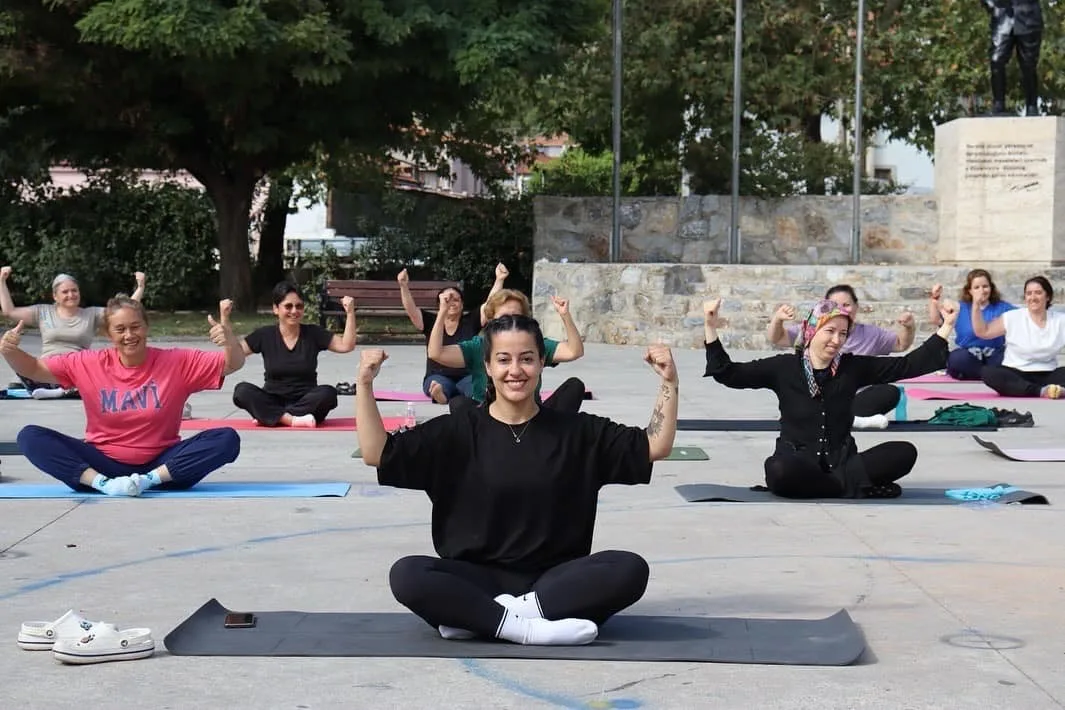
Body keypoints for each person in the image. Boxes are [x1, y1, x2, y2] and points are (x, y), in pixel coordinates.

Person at [355, 314, 679, 645]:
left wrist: (669, 381)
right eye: (503, 360)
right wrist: (364, 385)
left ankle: (485, 618)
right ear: (487, 366)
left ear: (541, 363)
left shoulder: (578, 432)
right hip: (474, 578)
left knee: (629, 569)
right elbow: (376, 453)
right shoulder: (454, 434)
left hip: (556, 582)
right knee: (408, 575)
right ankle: (527, 628)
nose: (515, 370)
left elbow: (654, 445)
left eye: (526, 359)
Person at [708, 296, 958, 499]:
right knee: (778, 470)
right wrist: (710, 327)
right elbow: (730, 374)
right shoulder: (784, 368)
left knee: (904, 452)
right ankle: (850, 487)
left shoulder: (853, 367)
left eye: (843, 334)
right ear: (811, 331)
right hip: (798, 464)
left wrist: (946, 326)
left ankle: (836, 485)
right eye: (830, 331)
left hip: (844, 464)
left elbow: (906, 365)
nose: (837, 340)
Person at [1, 296, 244, 496]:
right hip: (101, 465)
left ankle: (145, 482)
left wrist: (230, 342)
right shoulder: (87, 363)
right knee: (30, 437)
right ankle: (104, 485)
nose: (129, 335)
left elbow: (231, 364)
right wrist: (10, 351)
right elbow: (34, 369)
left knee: (226, 439)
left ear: (146, 326)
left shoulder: (176, 361)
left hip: (163, 467)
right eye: (120, 329)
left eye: (135, 326)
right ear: (109, 334)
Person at [768, 284, 920, 428]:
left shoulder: (871, 334)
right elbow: (778, 338)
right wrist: (778, 319)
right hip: (817, 397)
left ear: (856, 306)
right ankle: (837, 419)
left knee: (889, 392)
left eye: (846, 305)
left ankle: (839, 419)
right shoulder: (812, 329)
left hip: (851, 400)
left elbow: (901, 344)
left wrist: (909, 327)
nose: (841, 310)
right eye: (834, 305)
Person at [427, 289, 587, 414]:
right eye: (503, 318)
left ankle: (547, 438)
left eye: (516, 317)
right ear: (490, 321)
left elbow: (574, 351)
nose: (511, 323)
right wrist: (442, 313)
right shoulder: (479, 346)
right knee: (459, 404)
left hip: (531, 416)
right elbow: (436, 353)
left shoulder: (535, 343)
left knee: (574, 386)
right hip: (489, 419)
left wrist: (565, 316)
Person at [0, 266, 146, 398]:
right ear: (55, 296)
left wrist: (140, 287)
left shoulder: (92, 314)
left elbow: (123, 312)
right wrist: (2, 281)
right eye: (65, 292)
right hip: (48, 368)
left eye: (74, 290)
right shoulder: (43, 312)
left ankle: (60, 391)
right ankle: (62, 390)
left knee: (102, 371)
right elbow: (9, 311)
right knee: (22, 366)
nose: (71, 294)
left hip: (76, 370)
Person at [232, 282, 356, 428]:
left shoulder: (313, 333)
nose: (294, 311)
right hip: (273, 399)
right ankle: (291, 420)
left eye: (299, 306)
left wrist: (350, 313)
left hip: (307, 401)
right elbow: (235, 355)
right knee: (242, 391)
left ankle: (271, 416)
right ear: (275, 309)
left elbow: (346, 345)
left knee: (328, 393)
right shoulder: (264, 335)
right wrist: (225, 322)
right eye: (288, 306)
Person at [398, 262, 509, 404]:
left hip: (467, 375)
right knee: (438, 385)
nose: (452, 303)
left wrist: (500, 279)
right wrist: (403, 286)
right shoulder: (431, 321)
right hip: (438, 375)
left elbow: (491, 303)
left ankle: (461, 395)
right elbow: (411, 310)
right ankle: (440, 395)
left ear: (462, 305)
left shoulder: (471, 320)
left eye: (456, 300)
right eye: (447, 300)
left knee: (476, 388)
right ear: (439, 305)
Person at [971, 275, 1065, 398]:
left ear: (1047, 296)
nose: (1033, 297)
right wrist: (976, 306)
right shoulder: (1012, 317)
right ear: (1025, 297)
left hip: (1049, 374)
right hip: (1016, 374)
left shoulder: (1060, 320)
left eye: (1038, 293)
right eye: (1029, 293)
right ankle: (1040, 391)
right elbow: (983, 331)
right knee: (989, 372)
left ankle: (1051, 389)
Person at [927, 269, 1015, 380]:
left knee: (1008, 357)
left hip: (995, 355)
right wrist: (934, 299)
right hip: (969, 356)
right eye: (977, 287)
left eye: (985, 286)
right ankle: (989, 375)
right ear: (970, 291)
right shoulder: (961, 308)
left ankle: (987, 374)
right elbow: (936, 320)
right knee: (956, 358)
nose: (981, 291)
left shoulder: (1003, 307)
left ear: (991, 288)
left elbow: (1023, 318)